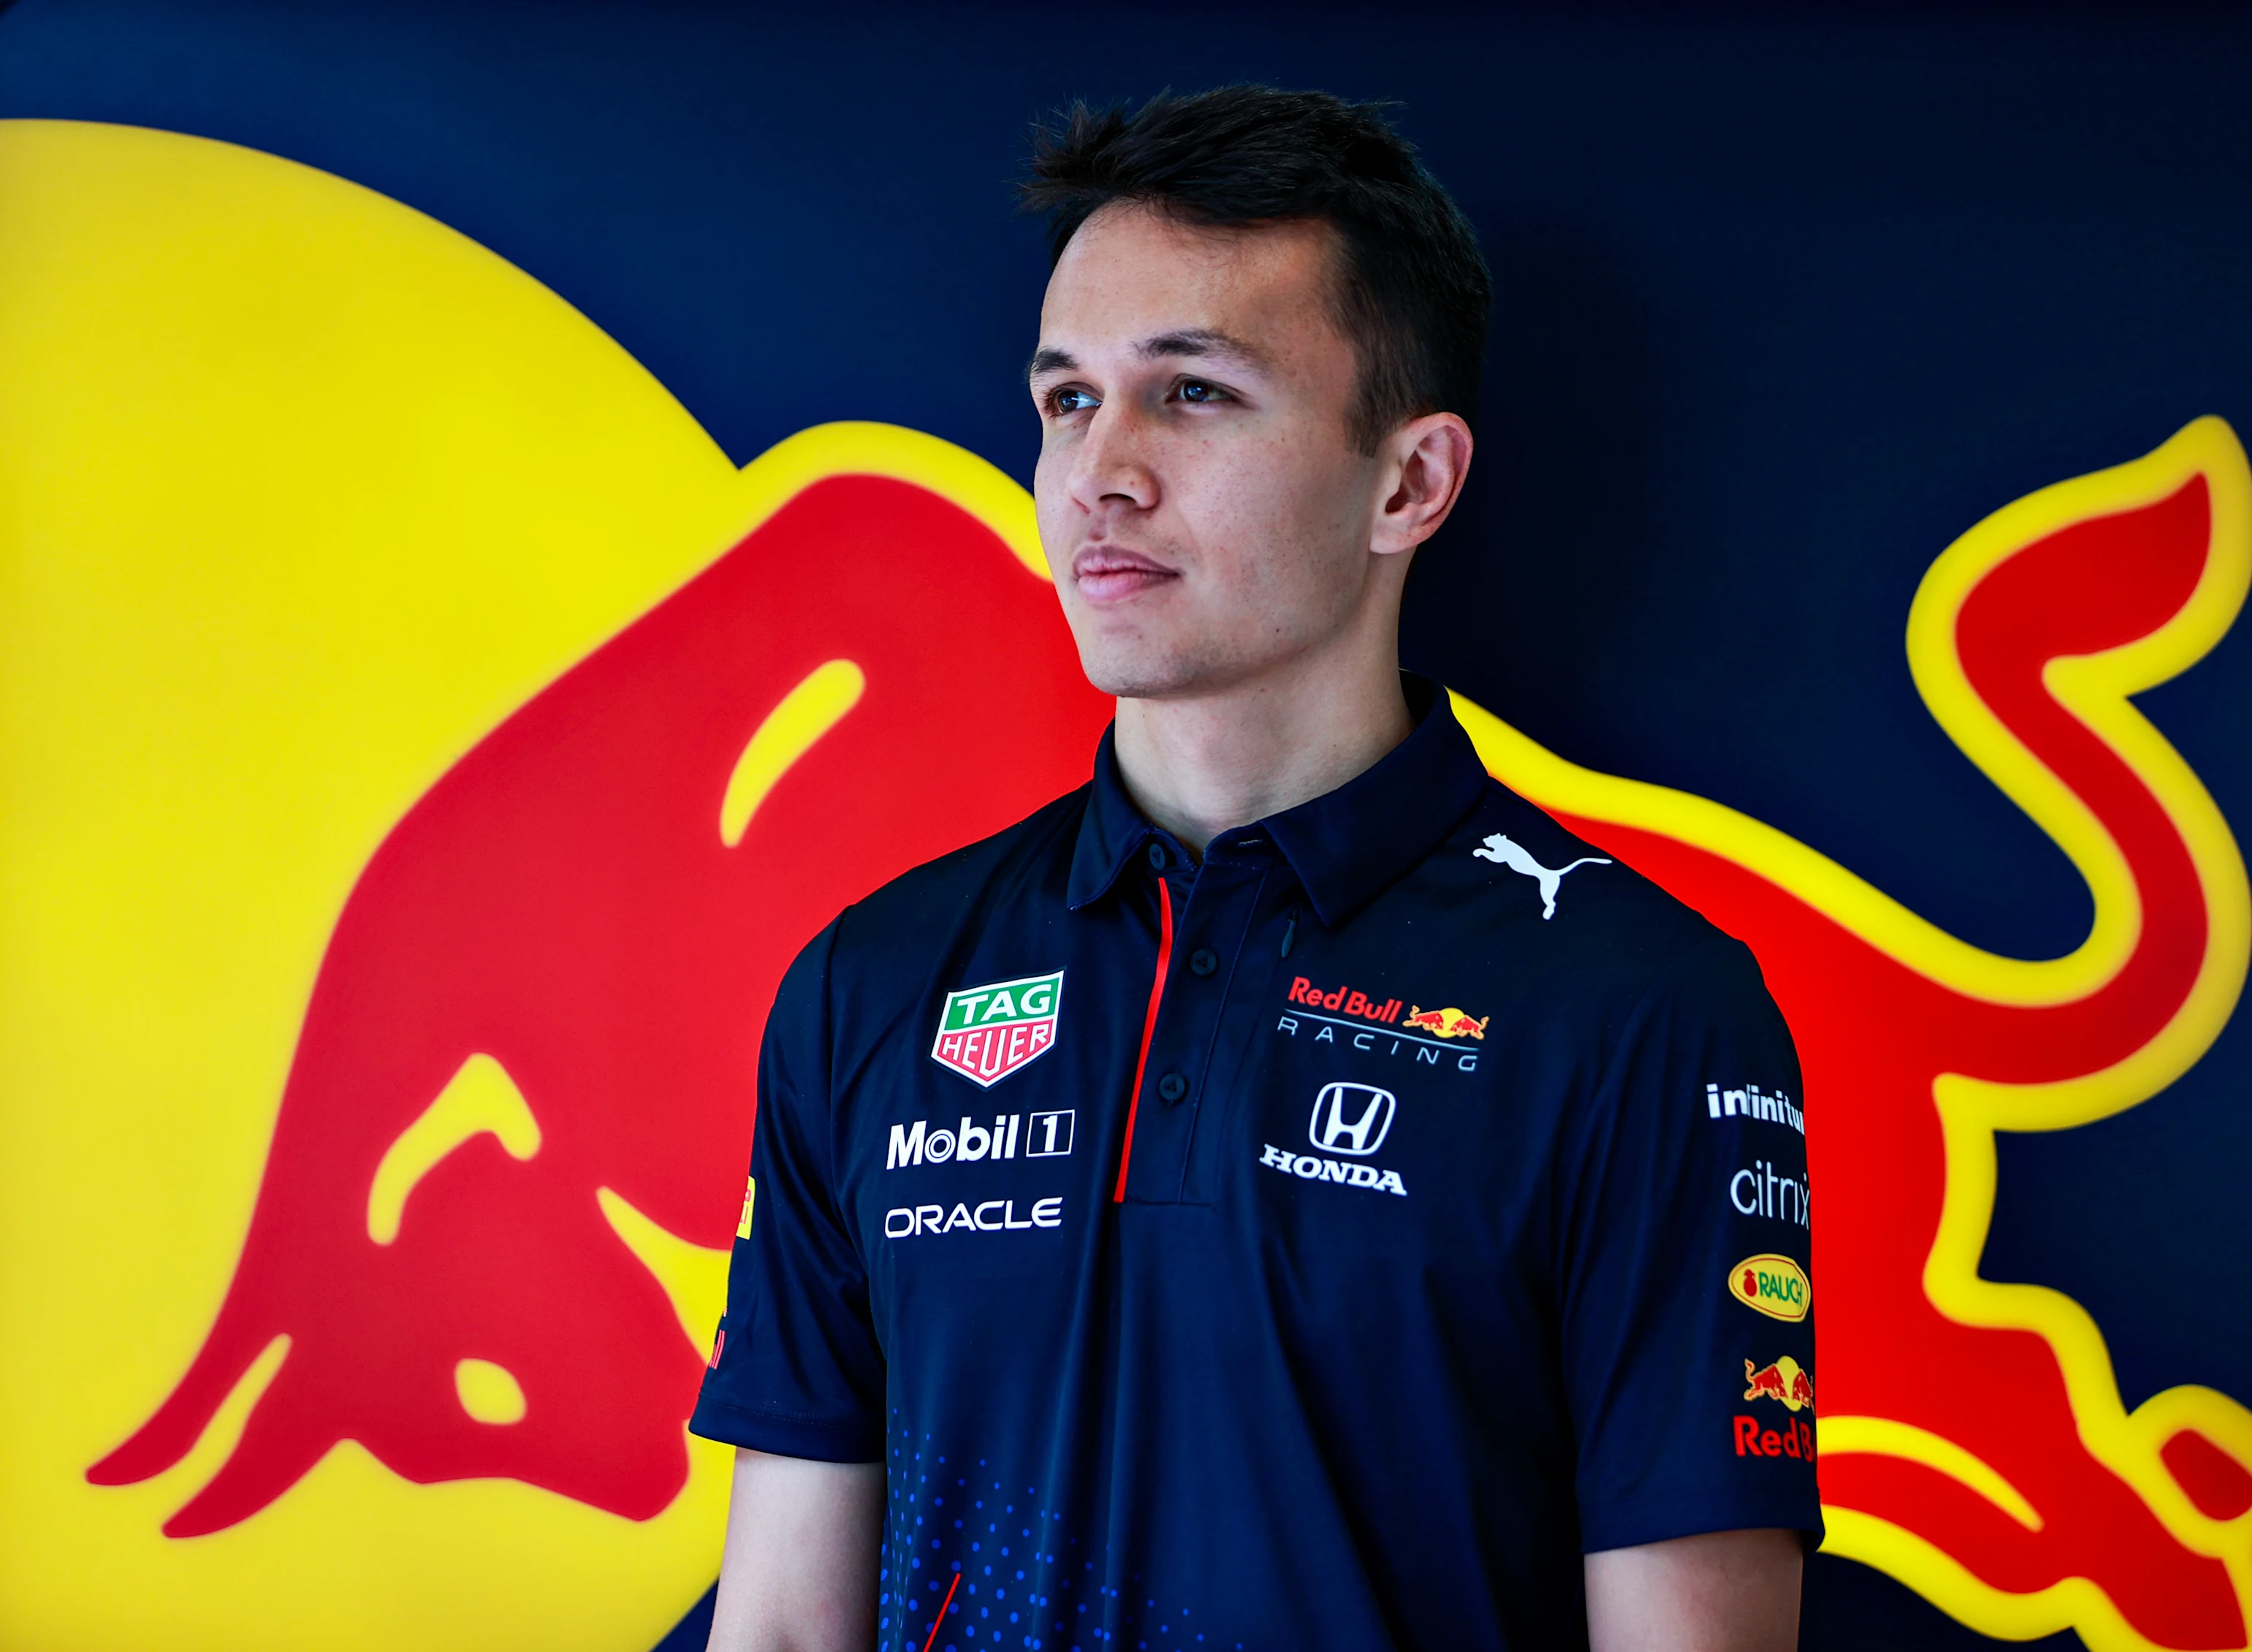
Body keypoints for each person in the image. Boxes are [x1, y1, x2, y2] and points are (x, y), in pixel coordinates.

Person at [692, 85, 1817, 1652]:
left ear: (1409, 483)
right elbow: (783, 1623)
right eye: (1067, 398)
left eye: (1194, 392)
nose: (1100, 471)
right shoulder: (870, 984)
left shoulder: (1637, 1007)